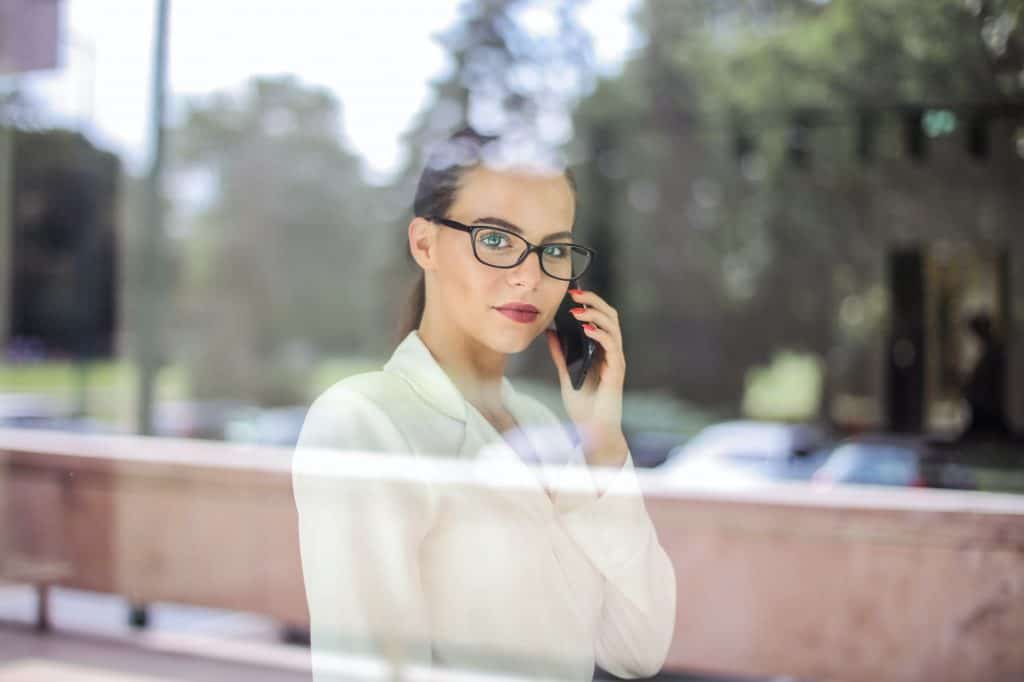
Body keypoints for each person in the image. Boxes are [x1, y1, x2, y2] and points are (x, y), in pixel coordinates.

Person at [291, 127, 677, 681]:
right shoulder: (363, 422)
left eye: (555, 248)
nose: (530, 275)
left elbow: (636, 649)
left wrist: (603, 442)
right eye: (496, 239)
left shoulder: (544, 428)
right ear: (424, 243)